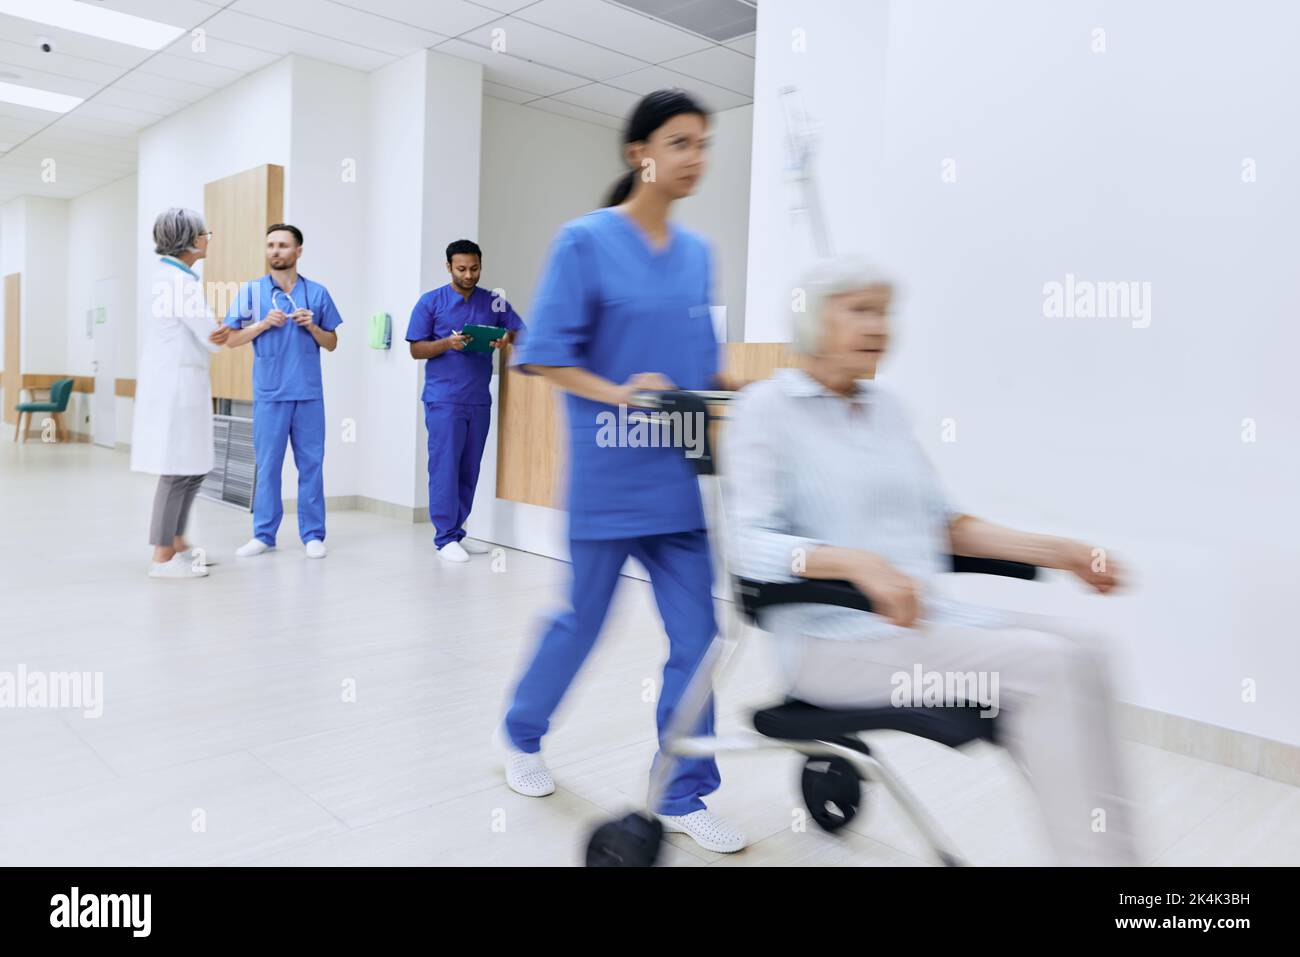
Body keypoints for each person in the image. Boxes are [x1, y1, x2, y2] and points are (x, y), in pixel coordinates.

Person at [722, 256, 1141, 866]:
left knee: (1089, 651)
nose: (879, 326)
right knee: (1048, 667)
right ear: (812, 320)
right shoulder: (766, 409)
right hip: (829, 644)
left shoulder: (886, 410)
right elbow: (748, 544)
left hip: (921, 629)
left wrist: (1064, 552)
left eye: (885, 312)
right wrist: (853, 562)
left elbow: (944, 525)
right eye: (859, 310)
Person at [500, 89, 747, 854]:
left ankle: (683, 788)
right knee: (582, 623)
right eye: (680, 143)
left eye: (703, 144)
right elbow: (543, 353)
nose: (696, 158)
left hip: (677, 482)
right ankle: (522, 732)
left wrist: (748, 386)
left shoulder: (698, 254)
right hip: (608, 478)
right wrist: (620, 393)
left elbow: (696, 369)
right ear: (639, 152)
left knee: (700, 638)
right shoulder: (584, 241)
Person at [221, 224, 342, 560]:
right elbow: (230, 339)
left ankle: (314, 535)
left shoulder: (317, 293)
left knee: (312, 466)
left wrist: (313, 326)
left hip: (307, 394)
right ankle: (263, 535)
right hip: (270, 393)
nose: (275, 251)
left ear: (298, 251)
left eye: (283, 245)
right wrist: (262, 324)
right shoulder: (251, 292)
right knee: (269, 466)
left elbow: (332, 343)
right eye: (271, 245)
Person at [406, 240, 525, 562]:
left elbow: (520, 332)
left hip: (478, 399)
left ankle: (458, 532)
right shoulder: (431, 302)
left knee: (469, 468)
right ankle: (444, 538)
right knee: (445, 468)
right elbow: (416, 349)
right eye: (461, 269)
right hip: (443, 399)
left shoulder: (494, 302)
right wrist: (447, 343)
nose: (469, 274)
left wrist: (505, 338)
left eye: (474, 268)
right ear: (448, 267)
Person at [131, 208, 229, 579]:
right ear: (190, 241)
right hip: (176, 384)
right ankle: (162, 558)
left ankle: (177, 542)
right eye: (205, 233)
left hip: (182, 381)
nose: (207, 238)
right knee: (177, 470)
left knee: (192, 468)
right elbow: (213, 337)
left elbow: (208, 333)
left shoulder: (174, 279)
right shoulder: (177, 283)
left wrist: (218, 331)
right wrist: (255, 326)